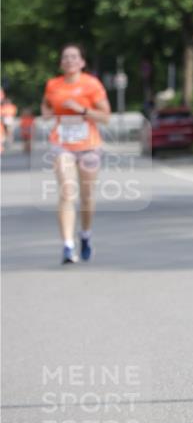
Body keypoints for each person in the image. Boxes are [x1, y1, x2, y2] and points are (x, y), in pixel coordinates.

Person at [40, 44, 111, 264]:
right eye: (65, 57)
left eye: (74, 57)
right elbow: (45, 108)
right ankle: (68, 246)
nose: (69, 60)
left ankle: (85, 235)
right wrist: (51, 113)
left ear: (82, 62)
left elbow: (106, 116)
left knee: (86, 197)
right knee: (67, 193)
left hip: (89, 145)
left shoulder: (91, 84)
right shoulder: (53, 85)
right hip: (62, 144)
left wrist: (81, 110)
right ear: (61, 63)